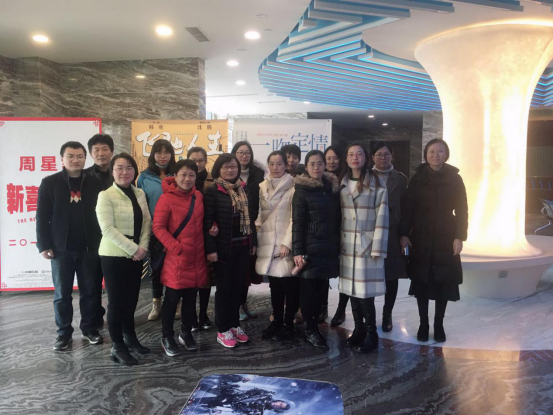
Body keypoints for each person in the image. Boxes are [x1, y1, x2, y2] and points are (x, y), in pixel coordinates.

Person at [36, 141, 104, 351]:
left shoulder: (95, 183)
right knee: (62, 294)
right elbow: (42, 217)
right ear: (62, 159)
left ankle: (89, 329)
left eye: (80, 156)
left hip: (90, 247)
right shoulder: (50, 183)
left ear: (85, 158)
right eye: (71, 156)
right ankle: (63, 333)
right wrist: (44, 244)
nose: (76, 160)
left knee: (90, 291)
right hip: (60, 249)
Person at [400, 139, 468, 343]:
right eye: (432, 151)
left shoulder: (455, 178)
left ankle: (439, 324)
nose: (435, 155)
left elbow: (462, 209)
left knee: (443, 281)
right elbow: (408, 208)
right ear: (426, 154)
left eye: (440, 151)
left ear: (446, 154)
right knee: (421, 280)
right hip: (421, 234)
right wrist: (404, 234)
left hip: (446, 233)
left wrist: (459, 236)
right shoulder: (417, 178)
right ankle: (424, 323)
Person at [96, 153, 151, 365]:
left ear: (135, 171)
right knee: (117, 303)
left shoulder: (139, 193)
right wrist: (134, 249)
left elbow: (147, 222)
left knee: (131, 300)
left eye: (129, 167)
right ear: (112, 171)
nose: (125, 172)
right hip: (114, 255)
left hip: (136, 255)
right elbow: (107, 229)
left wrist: (142, 248)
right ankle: (117, 347)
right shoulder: (105, 195)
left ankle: (130, 338)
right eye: (119, 168)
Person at [153, 159, 208, 356]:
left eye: (191, 175)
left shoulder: (198, 196)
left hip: (196, 257)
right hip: (176, 258)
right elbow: (158, 227)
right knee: (172, 299)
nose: (187, 179)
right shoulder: (166, 199)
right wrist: (176, 247)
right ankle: (167, 336)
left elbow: (202, 223)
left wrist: (213, 227)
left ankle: (186, 333)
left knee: (191, 299)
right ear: (175, 176)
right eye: (183, 174)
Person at [339, 142, 389, 353]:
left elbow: (382, 215)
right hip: (347, 245)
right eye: (351, 154)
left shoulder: (376, 182)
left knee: (365, 292)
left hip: (366, 244)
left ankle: (371, 333)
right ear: (346, 158)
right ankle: (358, 328)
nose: (355, 157)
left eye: (359, 154)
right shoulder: (341, 183)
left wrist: (377, 247)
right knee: (351, 290)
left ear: (366, 158)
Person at [204, 153, 257, 348]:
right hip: (223, 249)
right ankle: (223, 329)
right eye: (226, 166)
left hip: (242, 247)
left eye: (233, 166)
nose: (230, 170)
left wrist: (252, 242)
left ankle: (234, 325)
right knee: (224, 289)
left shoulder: (243, 188)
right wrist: (211, 249)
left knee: (237, 288)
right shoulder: (213, 190)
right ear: (218, 169)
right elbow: (207, 222)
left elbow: (251, 218)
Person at [292, 150, 341, 349]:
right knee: (308, 290)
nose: (316, 167)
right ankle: (310, 329)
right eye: (312, 164)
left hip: (328, 247)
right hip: (309, 249)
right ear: (306, 167)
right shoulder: (301, 190)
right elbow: (298, 223)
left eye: (320, 163)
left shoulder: (331, 188)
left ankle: (315, 325)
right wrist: (297, 251)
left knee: (321, 290)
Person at [255, 151, 297, 342]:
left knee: (289, 286)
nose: (275, 167)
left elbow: (295, 219)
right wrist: (257, 234)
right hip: (268, 244)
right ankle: (277, 321)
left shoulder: (293, 187)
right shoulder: (262, 187)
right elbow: (261, 214)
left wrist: (287, 243)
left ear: (285, 165)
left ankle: (289, 323)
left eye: (279, 163)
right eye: (271, 164)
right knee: (275, 287)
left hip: (284, 245)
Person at [136, 139, 176, 321]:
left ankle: (176, 303)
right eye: (159, 152)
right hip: (155, 231)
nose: (163, 156)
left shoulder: (178, 174)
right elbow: (141, 206)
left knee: (176, 268)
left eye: (166, 152)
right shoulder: (144, 177)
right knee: (156, 268)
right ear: (153, 155)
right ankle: (156, 302)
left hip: (176, 231)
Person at [371, 141, 408, 332]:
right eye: (379, 154)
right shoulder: (366, 177)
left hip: (393, 233)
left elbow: (407, 208)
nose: (383, 158)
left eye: (386, 154)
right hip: (370, 233)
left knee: (392, 276)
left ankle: (387, 313)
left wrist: (405, 234)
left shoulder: (400, 179)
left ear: (392, 156)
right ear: (372, 157)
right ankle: (369, 315)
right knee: (369, 275)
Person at [231, 141, 264, 321]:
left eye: (247, 153)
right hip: (233, 228)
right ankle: (234, 306)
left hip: (252, 225)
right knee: (235, 271)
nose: (244, 156)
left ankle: (242, 303)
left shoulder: (259, 174)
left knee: (246, 270)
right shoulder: (229, 173)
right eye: (240, 152)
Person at [84, 133, 115, 330]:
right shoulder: (83, 177)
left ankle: (116, 318)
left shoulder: (120, 173)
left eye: (105, 149)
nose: (101, 153)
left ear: (111, 151)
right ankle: (94, 321)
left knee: (115, 284)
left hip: (115, 238)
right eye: (96, 150)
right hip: (92, 238)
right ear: (90, 153)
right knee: (92, 283)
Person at [188, 146, 215, 331]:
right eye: (194, 160)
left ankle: (203, 314)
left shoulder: (212, 182)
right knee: (190, 279)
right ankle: (190, 315)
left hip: (207, 235)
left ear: (206, 161)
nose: (197, 164)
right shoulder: (183, 180)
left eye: (200, 160)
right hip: (188, 235)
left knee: (206, 278)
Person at [322, 146, 345, 326]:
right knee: (323, 273)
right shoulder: (320, 178)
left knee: (345, 272)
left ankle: (341, 309)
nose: (331, 161)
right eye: (328, 158)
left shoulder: (347, 178)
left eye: (335, 158)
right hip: (325, 232)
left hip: (345, 230)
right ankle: (322, 307)